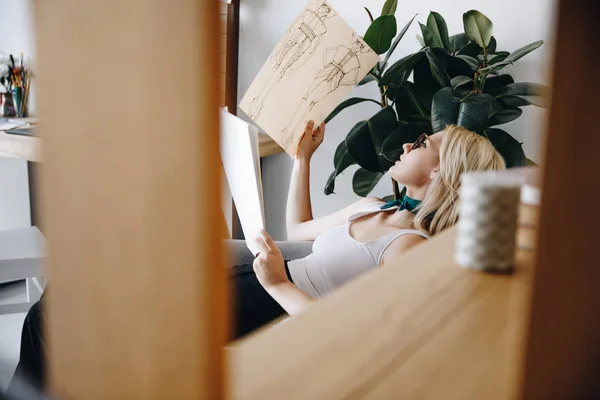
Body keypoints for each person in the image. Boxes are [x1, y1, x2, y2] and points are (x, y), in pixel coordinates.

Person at [232, 121, 505, 338]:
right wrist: (303, 159)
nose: (408, 145)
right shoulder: (373, 206)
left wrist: (278, 284)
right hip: (251, 279)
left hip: (270, 304)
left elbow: (350, 334)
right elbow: (297, 230)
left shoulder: (408, 246)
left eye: (423, 143)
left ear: (438, 170)